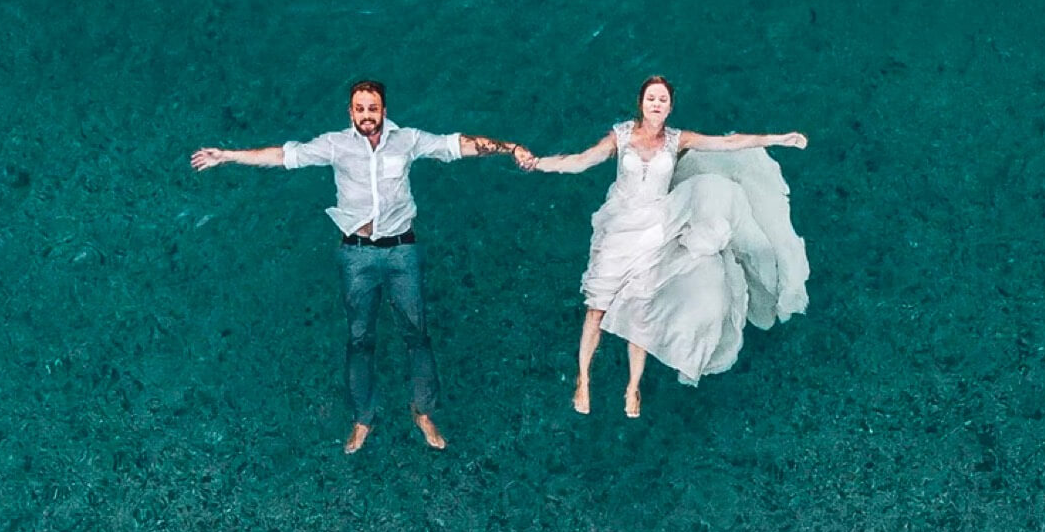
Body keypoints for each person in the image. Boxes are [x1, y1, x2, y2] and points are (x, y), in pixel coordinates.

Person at [190, 80, 533, 453]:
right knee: (359, 339)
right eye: (360, 108)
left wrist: (509, 148)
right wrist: (227, 155)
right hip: (356, 255)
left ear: (384, 111)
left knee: (417, 335)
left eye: (373, 108)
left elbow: (457, 145)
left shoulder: (409, 140)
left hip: (403, 250)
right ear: (350, 112)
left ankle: (423, 411)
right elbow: (285, 156)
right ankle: (362, 418)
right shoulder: (336, 145)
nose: (366, 116)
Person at [521, 76, 810, 417]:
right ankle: (582, 379)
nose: (656, 104)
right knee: (596, 307)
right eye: (650, 98)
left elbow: (727, 144)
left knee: (641, 306)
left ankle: (633, 387)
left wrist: (781, 139)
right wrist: (540, 163)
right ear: (640, 103)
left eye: (662, 100)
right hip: (620, 227)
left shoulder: (677, 139)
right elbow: (583, 160)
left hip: (656, 228)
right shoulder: (622, 135)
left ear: (670, 107)